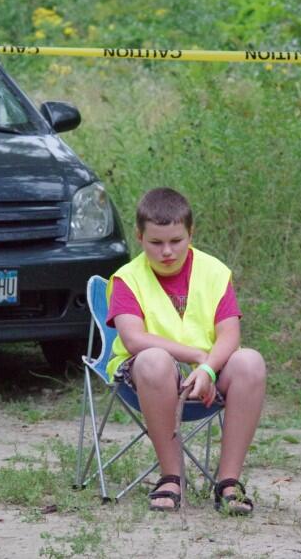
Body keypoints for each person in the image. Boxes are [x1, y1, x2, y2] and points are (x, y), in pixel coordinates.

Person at [106, 187, 266, 514]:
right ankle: (170, 476)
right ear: (139, 236)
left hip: (208, 373)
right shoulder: (127, 279)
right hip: (146, 378)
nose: (167, 251)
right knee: (153, 360)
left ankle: (228, 483)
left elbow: (229, 335)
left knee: (250, 361)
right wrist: (196, 356)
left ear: (191, 233)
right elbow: (134, 339)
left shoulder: (214, 272)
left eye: (176, 241)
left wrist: (207, 370)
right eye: (155, 242)